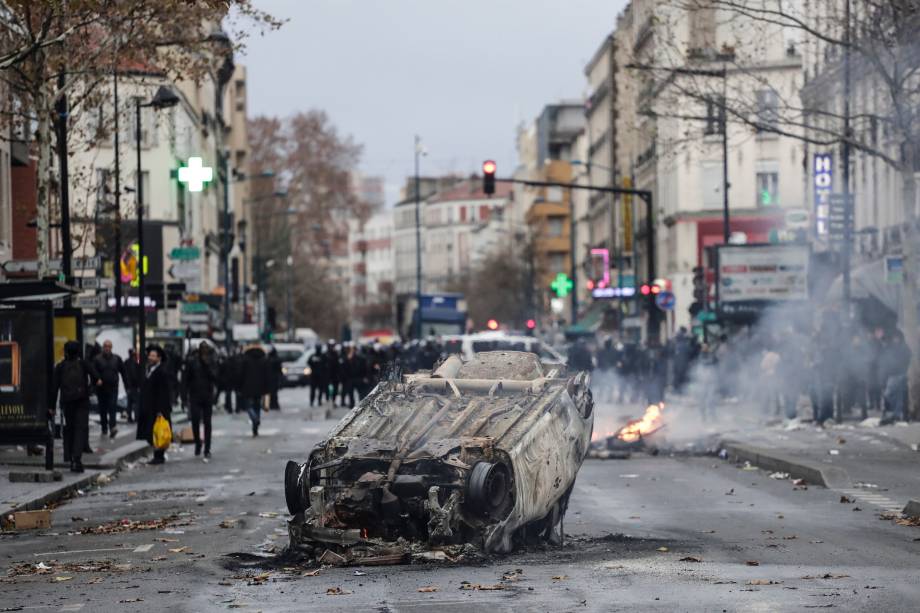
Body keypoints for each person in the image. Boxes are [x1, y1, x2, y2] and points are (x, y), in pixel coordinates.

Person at [51, 341, 96, 473]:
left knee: (69, 429)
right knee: (80, 429)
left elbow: (54, 388)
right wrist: (89, 390)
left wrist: (51, 406)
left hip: (67, 402)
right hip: (82, 401)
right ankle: (77, 459)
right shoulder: (83, 364)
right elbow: (97, 378)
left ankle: (70, 458)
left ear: (66, 352)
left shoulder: (60, 367)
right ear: (78, 352)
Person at [182, 343, 219, 458]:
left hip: (207, 395)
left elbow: (215, 377)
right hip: (195, 395)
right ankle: (198, 442)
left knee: (207, 422)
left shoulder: (211, 362)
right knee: (195, 420)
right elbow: (185, 380)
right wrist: (183, 397)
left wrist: (207, 365)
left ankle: (207, 448)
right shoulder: (192, 362)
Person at [138, 345, 172, 465]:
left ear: (159, 358)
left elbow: (163, 392)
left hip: (158, 407)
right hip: (151, 406)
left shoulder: (161, 371)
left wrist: (160, 410)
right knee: (154, 431)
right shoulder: (151, 369)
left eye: (153, 356)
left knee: (158, 431)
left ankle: (159, 456)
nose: (150, 358)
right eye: (150, 355)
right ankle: (158, 455)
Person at [92, 339, 126, 438]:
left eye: (109, 346)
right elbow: (93, 371)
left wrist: (127, 384)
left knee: (112, 407)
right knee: (102, 409)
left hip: (113, 387)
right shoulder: (97, 359)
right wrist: (97, 379)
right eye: (105, 346)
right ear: (103, 347)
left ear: (111, 348)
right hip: (101, 388)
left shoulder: (117, 359)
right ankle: (104, 427)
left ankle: (112, 427)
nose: (107, 348)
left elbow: (123, 372)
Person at [239, 344, 270, 436]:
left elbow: (241, 374)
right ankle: (256, 425)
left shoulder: (245, 360)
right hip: (260, 387)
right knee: (257, 406)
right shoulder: (264, 360)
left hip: (248, 386)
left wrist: (239, 386)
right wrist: (266, 388)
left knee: (248, 406)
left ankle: (254, 419)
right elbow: (266, 375)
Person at [124, 348, 142, 423]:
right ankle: (136, 417)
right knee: (136, 402)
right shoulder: (135, 362)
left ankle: (129, 417)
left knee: (130, 403)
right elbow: (135, 375)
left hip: (129, 385)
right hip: (134, 386)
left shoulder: (126, 362)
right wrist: (138, 385)